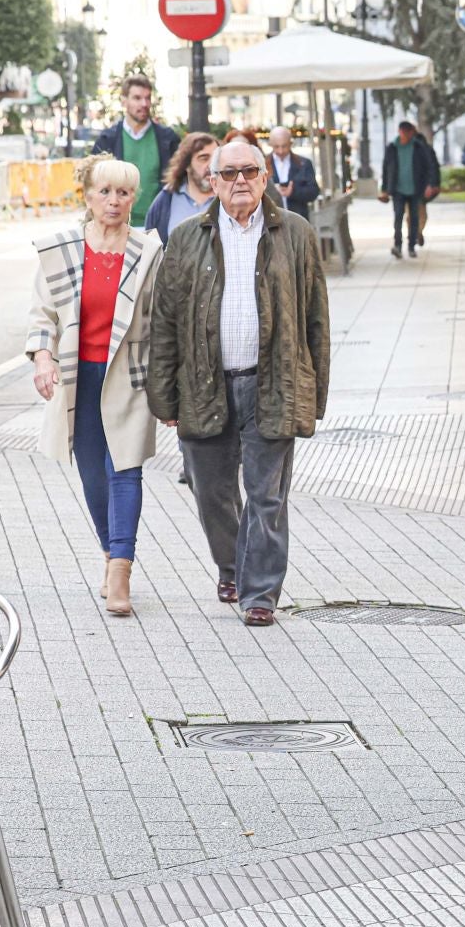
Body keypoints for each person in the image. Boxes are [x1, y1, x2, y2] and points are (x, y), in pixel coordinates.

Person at [147, 137, 330, 627]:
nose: (240, 181)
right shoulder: (186, 237)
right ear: (213, 182)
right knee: (212, 492)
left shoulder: (295, 233)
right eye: (228, 174)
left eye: (249, 171)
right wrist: (163, 395)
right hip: (205, 385)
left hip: (273, 382)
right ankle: (232, 566)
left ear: (265, 177)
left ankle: (260, 593)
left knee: (266, 494)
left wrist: (314, 394)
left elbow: (316, 318)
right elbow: (164, 322)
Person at [23, 155, 163, 616]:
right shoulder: (62, 250)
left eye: (123, 192)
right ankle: (108, 553)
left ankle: (121, 569)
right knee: (91, 473)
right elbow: (42, 315)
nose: (114, 201)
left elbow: (165, 319)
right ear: (88, 196)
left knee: (125, 468)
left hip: (130, 375)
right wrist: (43, 357)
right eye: (105, 191)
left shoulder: (148, 251)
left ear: (133, 199)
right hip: (78, 375)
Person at [93, 75, 180, 229]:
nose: (144, 104)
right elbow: (94, 183)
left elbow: (179, 180)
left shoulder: (167, 139)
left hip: (158, 225)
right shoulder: (108, 139)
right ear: (124, 101)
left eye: (147, 98)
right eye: (137, 98)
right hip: (118, 225)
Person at [143, 131, 218, 246]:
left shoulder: (227, 199)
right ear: (187, 164)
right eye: (204, 158)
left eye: (216, 159)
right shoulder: (166, 200)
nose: (211, 165)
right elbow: (149, 249)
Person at [378, 120, 439, 259]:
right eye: (403, 132)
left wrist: (430, 184)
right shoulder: (392, 147)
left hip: (415, 189)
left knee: (414, 218)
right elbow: (386, 168)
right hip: (398, 189)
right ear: (400, 132)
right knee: (398, 217)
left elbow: (429, 165)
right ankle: (397, 245)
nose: (405, 135)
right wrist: (385, 189)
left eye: (407, 133)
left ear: (411, 133)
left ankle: (411, 245)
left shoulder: (418, 147)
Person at [265, 127, 319, 221]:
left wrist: (293, 192)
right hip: (271, 220)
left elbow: (314, 191)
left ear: (290, 144)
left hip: (298, 218)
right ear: (271, 145)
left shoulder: (304, 163)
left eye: (284, 146)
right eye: (276, 146)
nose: (280, 151)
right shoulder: (263, 164)